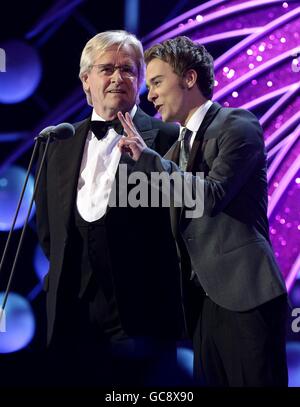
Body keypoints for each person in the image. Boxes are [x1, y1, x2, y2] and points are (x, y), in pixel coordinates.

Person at [118, 36, 288, 387]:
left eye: (157, 82)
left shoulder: (237, 125)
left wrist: (149, 161)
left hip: (246, 296)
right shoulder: (174, 149)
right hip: (200, 305)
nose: (151, 95)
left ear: (190, 79)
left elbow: (211, 196)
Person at [35, 30, 184, 387]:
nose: (118, 78)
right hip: (73, 316)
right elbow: (47, 232)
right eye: (107, 69)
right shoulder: (57, 144)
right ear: (86, 80)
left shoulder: (167, 139)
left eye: (128, 70)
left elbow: (180, 226)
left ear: (141, 81)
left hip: (141, 317)